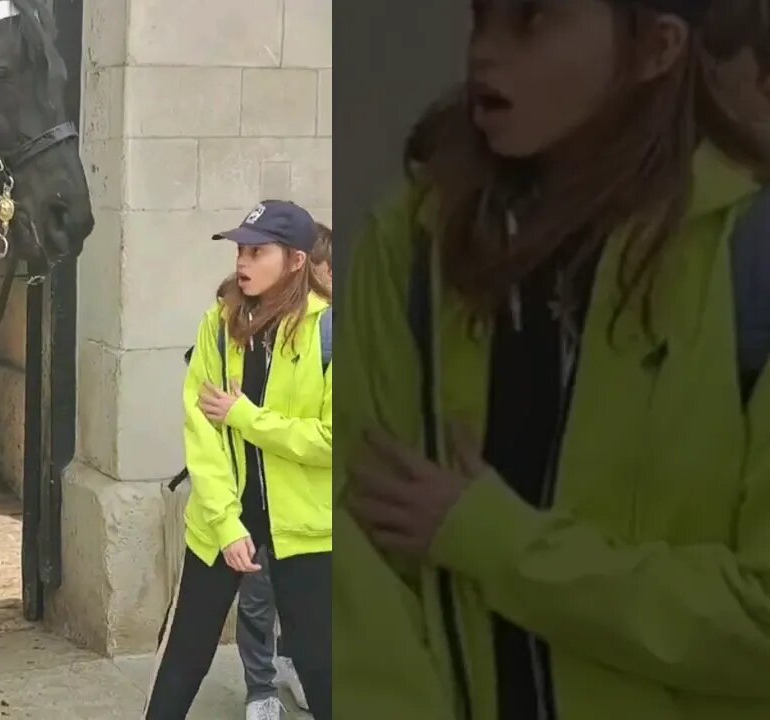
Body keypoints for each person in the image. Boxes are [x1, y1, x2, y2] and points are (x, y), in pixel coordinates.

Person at [335, 1, 770, 719]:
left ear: (656, 49)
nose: (485, 52)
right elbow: (360, 564)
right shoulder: (412, 247)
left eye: (532, 20)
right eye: (482, 18)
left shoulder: (747, 262)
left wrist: (498, 543)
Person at [144, 200, 332, 720]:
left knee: (320, 666)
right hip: (220, 520)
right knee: (184, 657)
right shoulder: (218, 323)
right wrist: (227, 523)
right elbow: (201, 427)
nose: (242, 262)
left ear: (295, 261)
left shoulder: (328, 333)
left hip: (307, 527)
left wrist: (246, 418)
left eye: (257, 251)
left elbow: (334, 440)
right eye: (240, 251)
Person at [232, 220, 333, 720]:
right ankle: (260, 689)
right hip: (260, 505)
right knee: (256, 598)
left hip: (315, 515)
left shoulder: (331, 333)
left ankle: (296, 670)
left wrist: (249, 419)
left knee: (312, 618)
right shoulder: (241, 329)